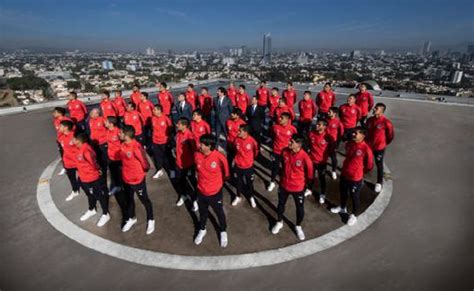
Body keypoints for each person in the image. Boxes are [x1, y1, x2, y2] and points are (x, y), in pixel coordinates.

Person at [271, 134, 313, 241]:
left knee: (299, 208)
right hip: (284, 185)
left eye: (292, 142)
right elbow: (283, 166)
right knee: (280, 204)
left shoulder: (305, 157)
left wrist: (306, 186)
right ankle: (279, 222)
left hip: (298, 188)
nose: (289, 143)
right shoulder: (285, 151)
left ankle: (298, 226)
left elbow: (310, 174)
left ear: (298, 144)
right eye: (290, 141)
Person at [331, 127, 374, 226]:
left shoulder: (365, 149)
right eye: (353, 133)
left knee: (355, 196)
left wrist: (359, 171)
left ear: (363, 135)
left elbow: (369, 165)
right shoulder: (349, 144)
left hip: (355, 178)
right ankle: (342, 207)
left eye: (356, 133)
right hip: (345, 173)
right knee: (343, 192)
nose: (353, 135)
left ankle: (354, 214)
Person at [193, 134, 230, 247]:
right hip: (201, 191)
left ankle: (223, 231)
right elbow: (196, 169)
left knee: (219, 212)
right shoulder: (197, 155)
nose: (200, 145)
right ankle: (202, 229)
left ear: (209, 146)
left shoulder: (219, 157)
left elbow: (227, 174)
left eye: (203, 144)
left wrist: (217, 184)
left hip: (215, 192)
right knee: (203, 212)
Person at [119, 125, 155, 234]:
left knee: (144, 200)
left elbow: (145, 163)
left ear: (126, 135)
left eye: (121, 133)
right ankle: (132, 218)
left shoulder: (136, 147)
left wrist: (142, 172)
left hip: (137, 179)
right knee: (129, 200)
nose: (118, 134)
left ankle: (151, 219)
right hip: (126, 178)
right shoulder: (123, 145)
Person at [73, 132, 110, 227]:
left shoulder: (87, 151)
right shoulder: (78, 148)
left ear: (79, 141)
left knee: (99, 195)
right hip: (83, 177)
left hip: (92, 178)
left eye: (74, 139)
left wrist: (98, 170)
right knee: (89, 194)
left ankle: (106, 213)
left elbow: (94, 164)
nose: (72, 140)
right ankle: (92, 209)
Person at [104, 117, 129, 227]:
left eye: (106, 122)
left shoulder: (119, 132)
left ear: (111, 123)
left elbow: (125, 143)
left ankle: (124, 187)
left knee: (121, 174)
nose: (104, 123)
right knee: (113, 173)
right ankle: (117, 186)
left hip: (119, 158)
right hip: (111, 157)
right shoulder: (107, 131)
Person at [366, 103, 394, 193]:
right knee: (366, 162)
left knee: (379, 165)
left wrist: (384, 143)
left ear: (382, 111)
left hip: (379, 147)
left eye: (376, 108)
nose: (373, 109)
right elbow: (366, 132)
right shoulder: (369, 120)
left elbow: (390, 136)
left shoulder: (386, 123)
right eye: (374, 107)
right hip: (369, 146)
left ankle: (379, 182)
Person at [306, 120, 335, 204]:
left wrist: (326, 156)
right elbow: (308, 143)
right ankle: (309, 189)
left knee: (321, 178)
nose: (317, 126)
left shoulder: (328, 137)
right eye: (317, 124)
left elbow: (332, 149)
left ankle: (322, 194)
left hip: (322, 161)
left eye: (319, 125)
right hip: (311, 160)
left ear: (324, 127)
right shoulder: (311, 134)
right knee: (310, 176)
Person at [268, 112, 297, 192]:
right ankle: (272, 182)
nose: (279, 119)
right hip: (276, 151)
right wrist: (272, 149)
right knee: (275, 168)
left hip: (287, 152)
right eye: (279, 117)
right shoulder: (275, 127)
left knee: (286, 168)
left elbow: (295, 140)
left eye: (282, 118)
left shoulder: (292, 129)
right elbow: (272, 137)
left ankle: (286, 181)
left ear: (287, 120)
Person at [174, 118, 198, 211]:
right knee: (181, 181)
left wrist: (195, 165)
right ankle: (184, 195)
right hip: (179, 163)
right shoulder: (178, 134)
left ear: (184, 126)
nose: (177, 125)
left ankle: (196, 199)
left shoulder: (190, 136)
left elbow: (194, 151)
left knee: (193, 182)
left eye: (179, 124)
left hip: (189, 164)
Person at [232, 124, 259, 208]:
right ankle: (238, 196)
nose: (238, 132)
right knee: (239, 183)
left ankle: (251, 197)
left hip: (248, 167)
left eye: (240, 131)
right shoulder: (236, 140)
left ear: (246, 132)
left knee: (249, 184)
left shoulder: (252, 141)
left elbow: (256, 152)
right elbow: (235, 149)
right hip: (238, 166)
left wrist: (250, 160)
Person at [58, 120, 80, 201]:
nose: (58, 128)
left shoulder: (74, 136)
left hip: (77, 162)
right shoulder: (61, 137)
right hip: (68, 163)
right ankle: (75, 191)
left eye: (60, 126)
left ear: (66, 128)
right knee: (72, 178)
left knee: (84, 178)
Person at [151, 104, 172, 179]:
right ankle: (159, 170)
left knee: (166, 156)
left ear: (159, 110)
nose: (153, 111)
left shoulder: (165, 118)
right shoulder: (153, 118)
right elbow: (152, 128)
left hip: (164, 141)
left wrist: (168, 138)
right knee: (156, 156)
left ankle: (171, 170)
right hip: (155, 140)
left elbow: (170, 129)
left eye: (155, 109)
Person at [88, 108, 108, 180]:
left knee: (104, 158)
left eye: (92, 113)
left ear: (97, 114)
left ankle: (105, 169)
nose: (91, 114)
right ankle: (100, 169)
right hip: (94, 143)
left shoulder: (103, 119)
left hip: (103, 142)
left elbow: (109, 128)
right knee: (97, 157)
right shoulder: (90, 121)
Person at [52, 107, 72, 176]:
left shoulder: (67, 120)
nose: (53, 114)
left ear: (60, 113)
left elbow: (72, 130)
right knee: (63, 154)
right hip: (60, 140)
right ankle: (65, 167)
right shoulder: (55, 121)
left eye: (55, 112)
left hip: (67, 140)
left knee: (70, 153)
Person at [326, 107, 344, 180]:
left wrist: (337, 142)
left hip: (333, 142)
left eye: (329, 112)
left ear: (334, 113)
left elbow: (341, 133)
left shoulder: (338, 122)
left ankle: (333, 171)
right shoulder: (326, 120)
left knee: (333, 157)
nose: (328, 113)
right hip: (324, 142)